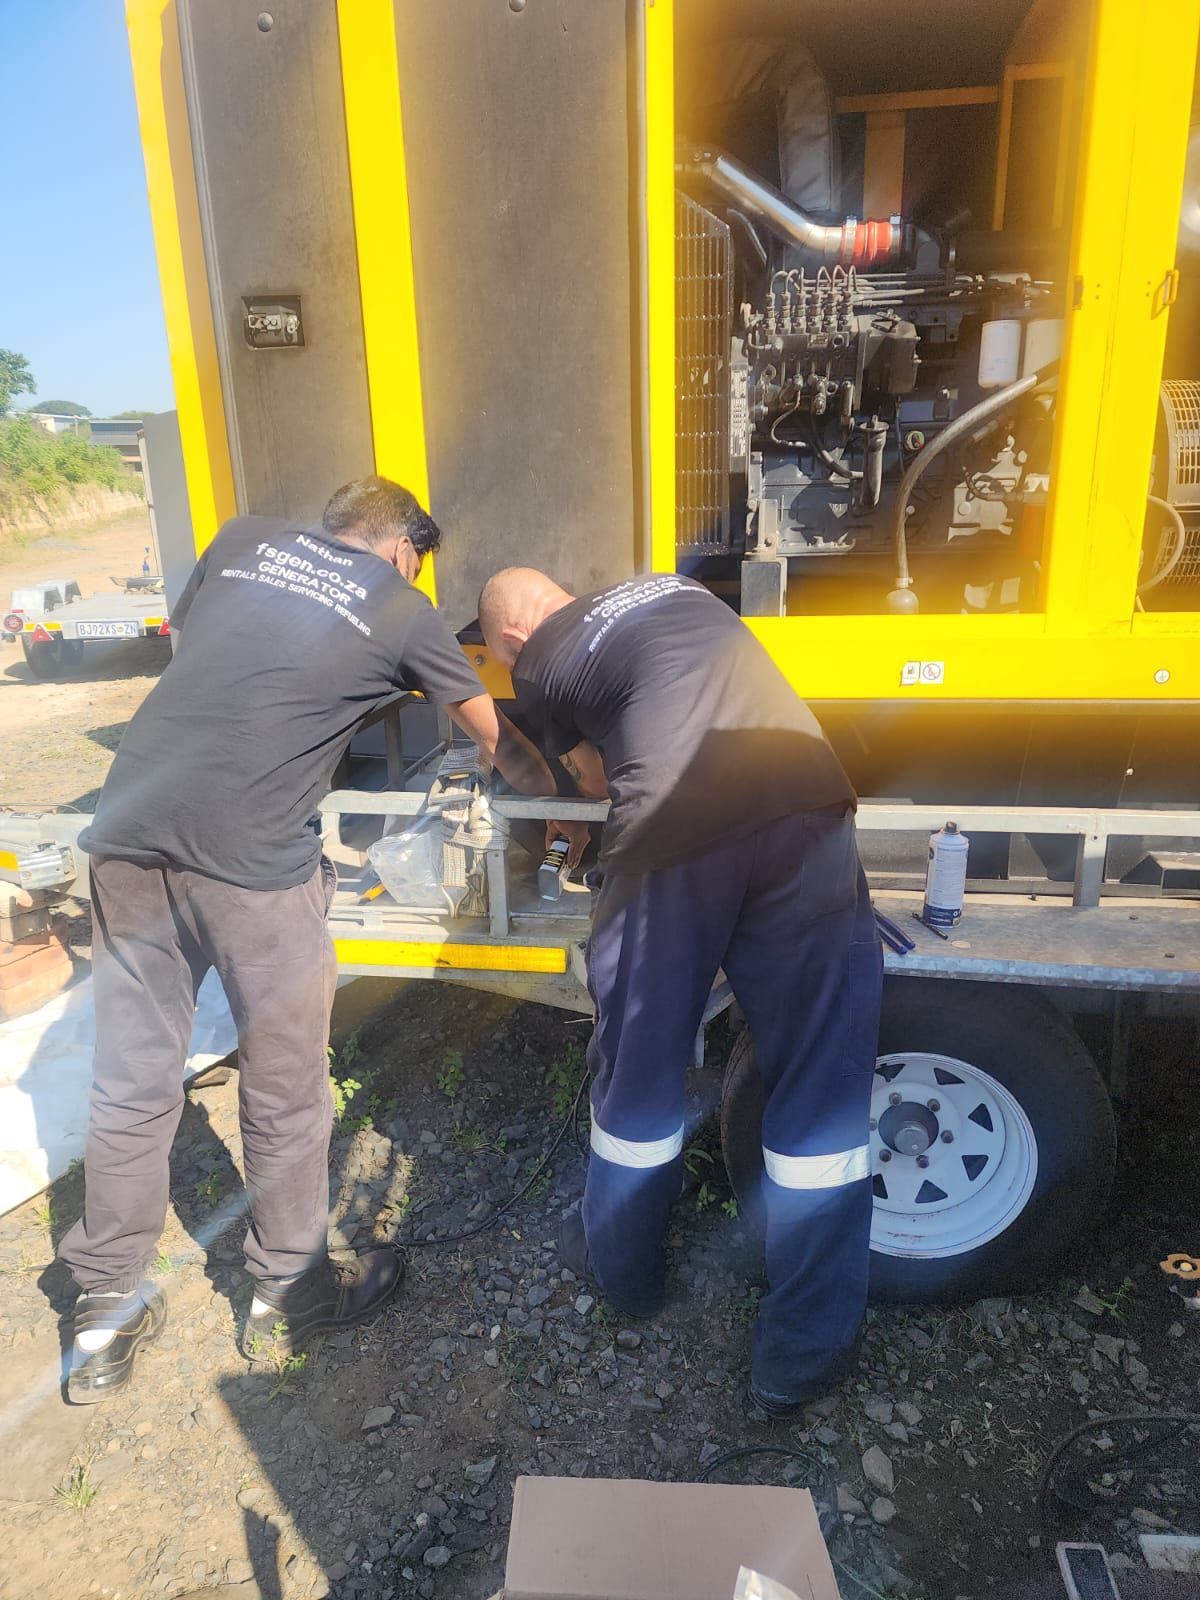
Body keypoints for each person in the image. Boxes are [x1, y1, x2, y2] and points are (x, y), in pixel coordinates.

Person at [60, 478, 575, 1403]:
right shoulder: (404, 608)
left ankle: (100, 1320)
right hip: (252, 867)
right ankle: (289, 1299)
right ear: (402, 549)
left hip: (127, 834)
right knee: (287, 1087)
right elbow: (496, 742)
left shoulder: (240, 539)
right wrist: (565, 807)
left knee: (132, 1078)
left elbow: (213, 662)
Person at [478, 567, 883, 1415]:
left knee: (641, 1066)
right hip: (808, 799)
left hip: (674, 833)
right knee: (822, 1081)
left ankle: (627, 1277)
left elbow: (589, 784)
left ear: (511, 638)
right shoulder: (680, 591)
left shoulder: (541, 660)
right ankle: (800, 1357)